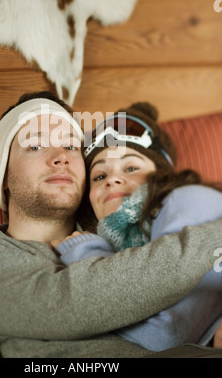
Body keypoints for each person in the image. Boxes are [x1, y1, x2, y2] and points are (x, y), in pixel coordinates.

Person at [0, 91, 222, 358]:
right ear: (3, 179)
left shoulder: (127, 230)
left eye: (71, 146)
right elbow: (70, 302)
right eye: (35, 145)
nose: (60, 156)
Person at [51, 102, 222, 352]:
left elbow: (164, 336)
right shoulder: (121, 241)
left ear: (162, 176)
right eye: (99, 176)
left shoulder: (187, 200)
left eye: (131, 167)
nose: (113, 179)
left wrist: (88, 257)